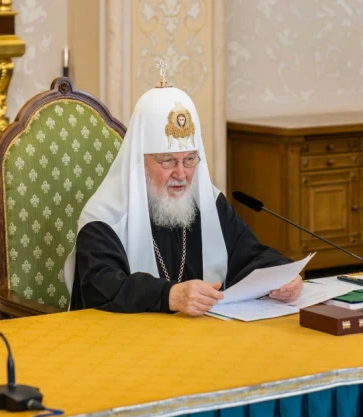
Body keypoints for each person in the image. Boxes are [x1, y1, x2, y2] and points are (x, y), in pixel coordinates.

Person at [64, 79, 303, 315]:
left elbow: (250, 255)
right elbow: (101, 287)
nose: (181, 174)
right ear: (140, 161)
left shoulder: (207, 203)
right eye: (168, 161)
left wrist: (283, 275)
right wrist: (169, 295)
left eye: (189, 160)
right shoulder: (105, 217)